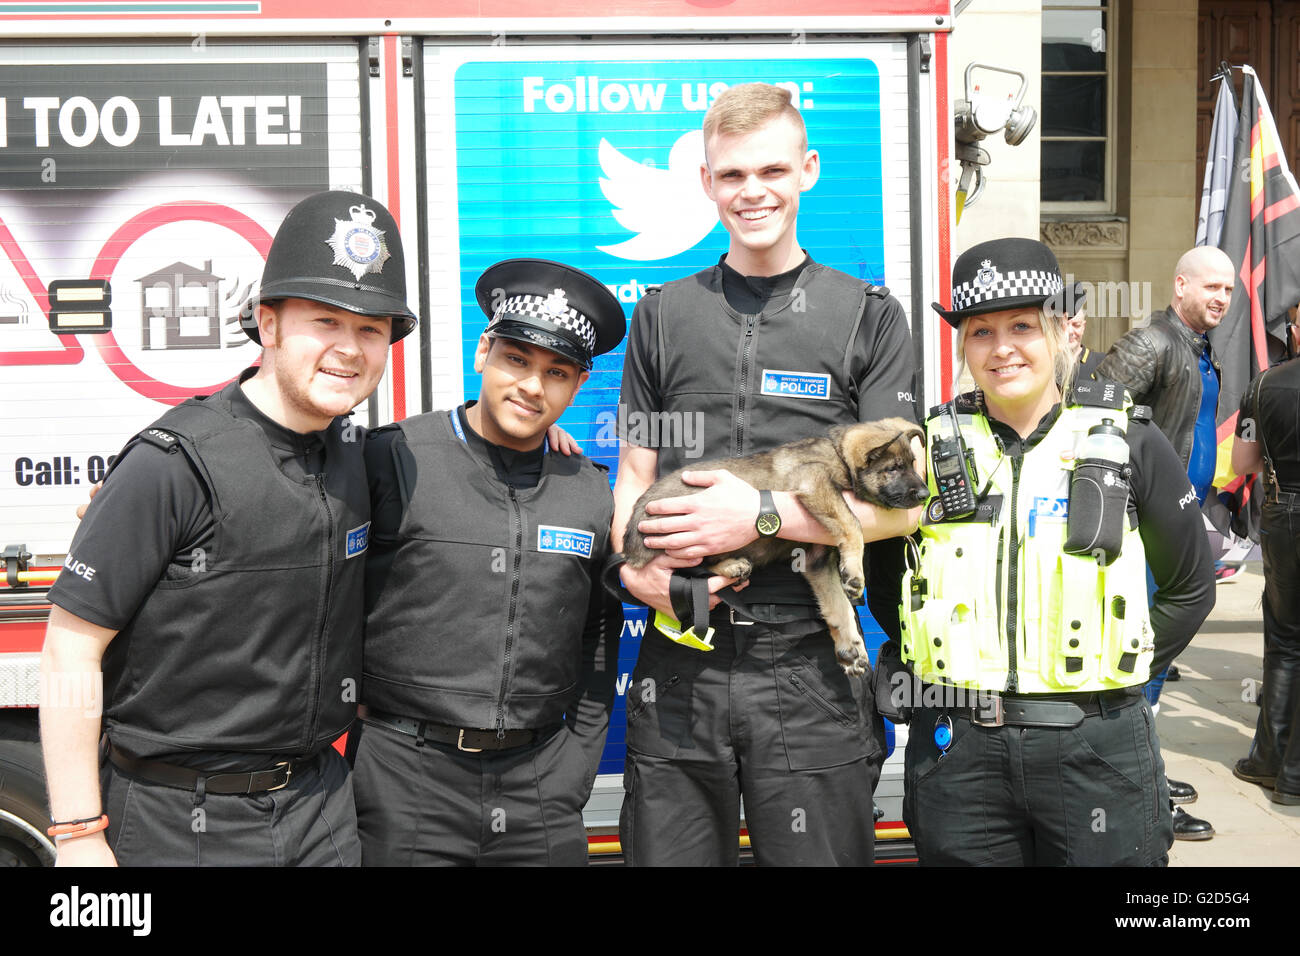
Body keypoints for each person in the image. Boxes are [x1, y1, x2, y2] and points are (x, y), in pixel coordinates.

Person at [39, 190, 416, 866]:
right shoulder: (171, 464)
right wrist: (76, 834)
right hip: (177, 821)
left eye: (371, 329)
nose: (350, 349)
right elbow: (70, 649)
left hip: (320, 809)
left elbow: (465, 468)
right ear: (267, 324)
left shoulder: (363, 459)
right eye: (325, 321)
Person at [609, 82, 920, 866]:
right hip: (682, 658)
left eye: (772, 171)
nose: (754, 192)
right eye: (733, 175)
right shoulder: (663, 315)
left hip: (812, 667)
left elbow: (905, 512)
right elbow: (634, 471)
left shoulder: (867, 317)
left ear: (807, 169)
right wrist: (634, 575)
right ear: (707, 182)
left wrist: (764, 518)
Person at [896, 237, 1214, 865]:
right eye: (980, 331)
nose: (1002, 347)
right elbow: (890, 585)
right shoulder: (924, 452)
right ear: (962, 343)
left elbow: (1191, 587)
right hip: (959, 750)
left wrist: (1115, 675)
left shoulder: (1132, 442)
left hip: (1098, 748)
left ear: (1065, 329)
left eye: (1022, 325)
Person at [350, 259, 626, 865]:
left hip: (541, 787)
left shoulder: (587, 490)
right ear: (483, 352)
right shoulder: (393, 457)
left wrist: (577, 760)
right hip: (406, 780)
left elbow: (598, 631)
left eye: (556, 372)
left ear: (577, 387)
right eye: (517, 360)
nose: (532, 386)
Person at [1096, 245, 1233, 838]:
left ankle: (1145, 764)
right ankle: (1140, 790)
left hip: (1183, 519)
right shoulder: (1152, 342)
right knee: (1144, 655)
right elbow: (1096, 413)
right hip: (1148, 526)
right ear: (1181, 285)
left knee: (1159, 656)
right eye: (1211, 287)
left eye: (1229, 290)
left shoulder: (1198, 349)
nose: (1222, 299)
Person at [1230, 319, 1300, 805]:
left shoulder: (1262, 383)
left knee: (1284, 641)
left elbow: (1242, 461)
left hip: (1284, 512)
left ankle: (1270, 760)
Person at [1061, 281, 1103, 380]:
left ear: (1083, 327)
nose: (1070, 331)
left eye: (1076, 325)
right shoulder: (1046, 364)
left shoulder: (1102, 363)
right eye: (1064, 325)